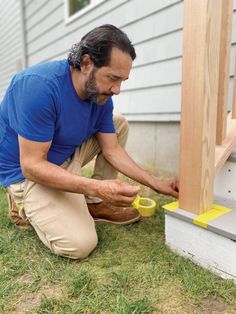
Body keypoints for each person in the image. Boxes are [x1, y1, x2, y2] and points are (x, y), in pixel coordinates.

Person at [0, 24, 179, 259]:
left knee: (118, 124)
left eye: (122, 80)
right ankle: (23, 206)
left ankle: (94, 203)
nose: (117, 89)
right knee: (80, 244)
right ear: (86, 63)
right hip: (28, 174)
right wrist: (97, 186)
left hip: (61, 156)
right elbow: (32, 165)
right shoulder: (38, 87)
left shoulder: (100, 96)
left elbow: (111, 149)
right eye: (113, 78)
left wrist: (156, 183)